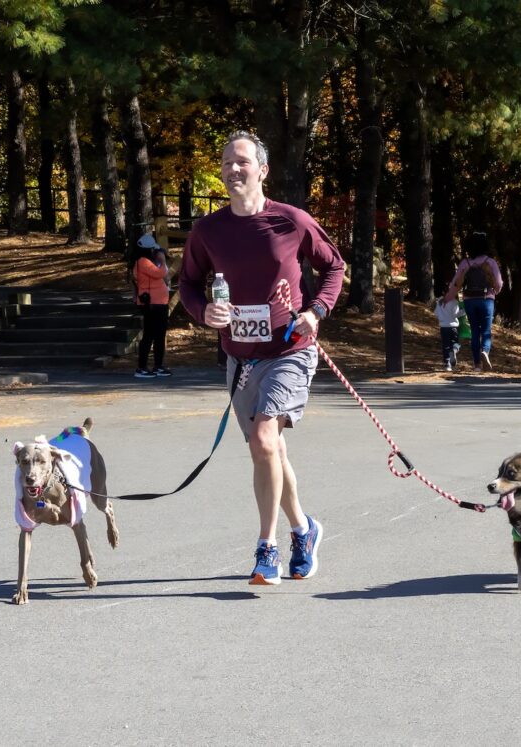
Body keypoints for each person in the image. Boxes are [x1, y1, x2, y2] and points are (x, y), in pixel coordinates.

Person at [180, 130, 345, 586]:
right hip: (240, 359)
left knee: (265, 439)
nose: (234, 169)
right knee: (267, 451)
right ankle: (304, 530)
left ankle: (266, 548)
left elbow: (334, 266)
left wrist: (317, 311)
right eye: (227, 162)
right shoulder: (207, 231)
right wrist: (204, 312)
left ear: (262, 170)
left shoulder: (291, 221)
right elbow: (188, 285)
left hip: (290, 349)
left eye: (243, 162)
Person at [445, 231, 503, 372]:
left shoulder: (465, 263)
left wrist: (448, 298)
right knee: (486, 331)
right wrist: (495, 291)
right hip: (486, 299)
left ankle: (477, 365)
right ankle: (485, 351)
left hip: (469, 300)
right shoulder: (490, 262)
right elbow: (499, 283)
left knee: (475, 332)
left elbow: (455, 284)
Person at [133, 234, 172, 378]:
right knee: (149, 335)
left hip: (159, 303)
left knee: (159, 335)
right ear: (149, 250)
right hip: (152, 304)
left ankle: (158, 365)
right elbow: (160, 273)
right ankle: (142, 367)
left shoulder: (147, 261)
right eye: (153, 250)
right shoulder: (143, 262)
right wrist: (161, 259)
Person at [433, 294, 464, 372]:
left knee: (445, 345)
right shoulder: (454, 301)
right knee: (456, 343)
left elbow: (436, 313)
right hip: (453, 327)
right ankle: (454, 350)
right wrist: (464, 311)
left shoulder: (440, 301)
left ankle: (447, 364)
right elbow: (456, 314)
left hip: (443, 327)